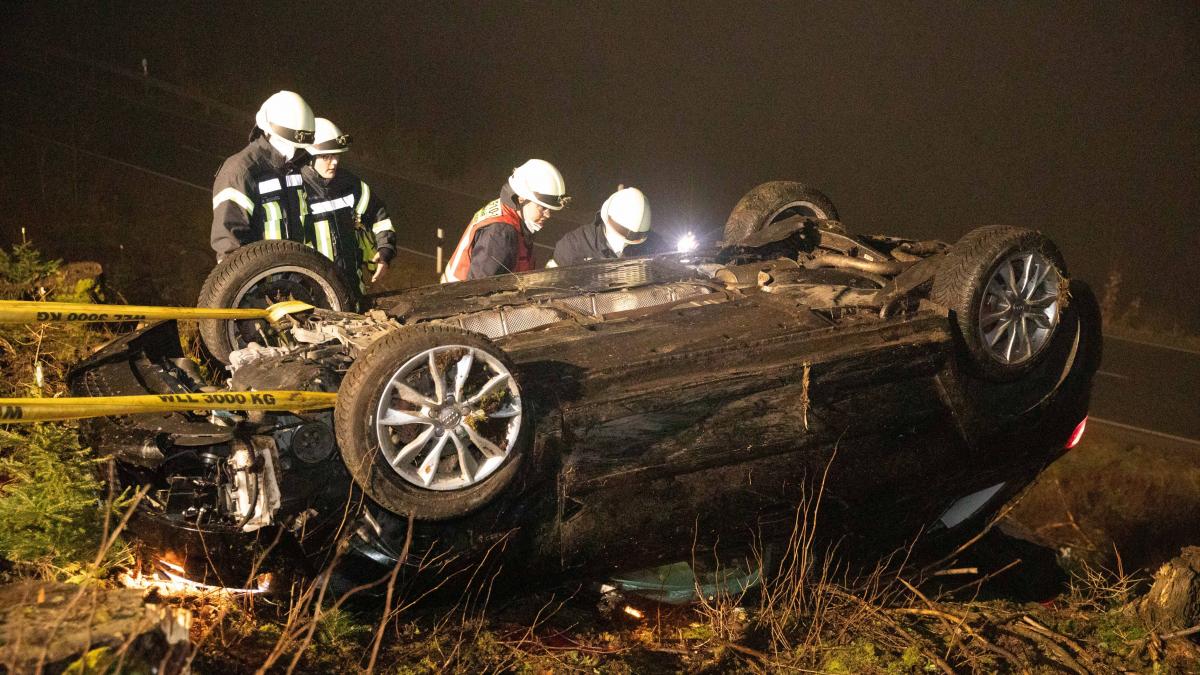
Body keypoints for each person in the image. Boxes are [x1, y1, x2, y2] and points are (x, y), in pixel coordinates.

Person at [210, 90, 315, 261]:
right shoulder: (240, 172)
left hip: (298, 279)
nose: (294, 150)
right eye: (288, 143)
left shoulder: (295, 167)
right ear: (268, 132)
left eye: (299, 146)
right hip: (264, 282)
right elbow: (230, 248)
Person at [300, 118, 396, 286]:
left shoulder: (351, 184)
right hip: (311, 290)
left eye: (336, 155)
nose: (334, 162)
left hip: (351, 286)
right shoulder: (296, 189)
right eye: (326, 156)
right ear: (310, 157)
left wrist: (385, 251)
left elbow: (379, 215)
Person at [441, 159, 568, 282]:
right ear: (522, 198)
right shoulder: (500, 233)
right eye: (542, 207)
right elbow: (479, 292)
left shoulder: (508, 211)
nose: (548, 214)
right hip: (460, 301)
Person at [545, 186, 654, 268]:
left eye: (630, 242)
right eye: (619, 237)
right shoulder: (573, 245)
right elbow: (549, 285)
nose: (622, 245)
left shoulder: (652, 246)